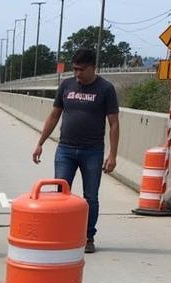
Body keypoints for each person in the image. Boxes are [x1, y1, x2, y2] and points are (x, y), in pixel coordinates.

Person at [32, 47, 119, 254]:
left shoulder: (105, 89)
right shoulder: (67, 85)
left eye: (81, 69)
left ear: (93, 68)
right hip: (65, 150)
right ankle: (61, 233)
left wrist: (113, 155)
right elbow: (54, 116)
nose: (77, 74)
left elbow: (114, 123)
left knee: (91, 196)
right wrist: (40, 142)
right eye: (75, 69)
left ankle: (88, 236)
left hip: (93, 151)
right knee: (61, 194)